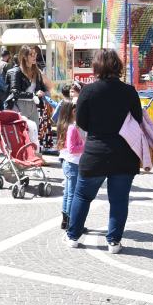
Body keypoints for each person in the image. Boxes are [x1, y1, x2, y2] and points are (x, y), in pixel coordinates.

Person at [65, 49, 142, 254]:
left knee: (82, 195)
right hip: (124, 153)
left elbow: (81, 122)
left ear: (96, 67)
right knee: (119, 200)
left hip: (95, 153)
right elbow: (138, 120)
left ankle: (73, 236)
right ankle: (114, 242)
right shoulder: (129, 91)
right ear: (118, 66)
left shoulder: (88, 92)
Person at [57, 96, 84, 231]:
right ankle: (71, 223)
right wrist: (86, 146)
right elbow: (73, 149)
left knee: (68, 193)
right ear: (73, 111)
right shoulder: (72, 127)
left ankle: (65, 221)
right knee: (72, 194)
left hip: (68, 162)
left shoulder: (65, 124)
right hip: (72, 163)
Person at [6, 45, 47, 126]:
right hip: (20, 104)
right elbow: (15, 92)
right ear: (24, 57)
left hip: (33, 104)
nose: (34, 56)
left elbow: (40, 87)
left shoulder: (36, 71)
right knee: (22, 132)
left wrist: (41, 91)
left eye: (35, 54)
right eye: (31, 54)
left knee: (35, 131)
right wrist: (33, 95)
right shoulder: (17, 72)